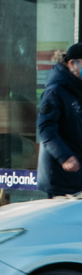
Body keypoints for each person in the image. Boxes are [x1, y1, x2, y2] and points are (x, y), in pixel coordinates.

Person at [38, 44, 82, 198]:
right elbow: (45, 128)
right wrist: (65, 157)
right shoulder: (55, 91)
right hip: (60, 179)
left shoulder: (77, 90)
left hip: (76, 177)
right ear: (72, 64)